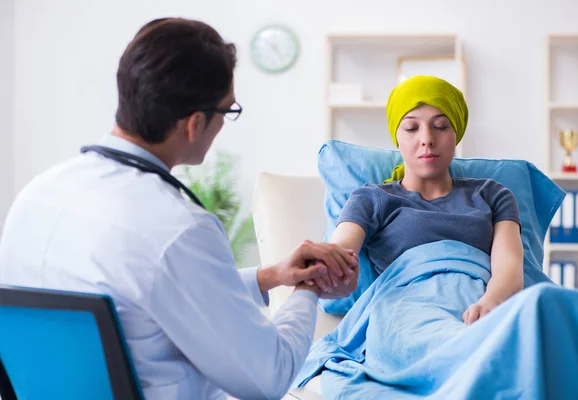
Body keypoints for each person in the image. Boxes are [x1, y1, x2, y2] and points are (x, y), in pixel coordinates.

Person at [0, 18, 359, 400]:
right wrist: (308, 288)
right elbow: (267, 378)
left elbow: (144, 296)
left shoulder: (37, 193)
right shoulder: (177, 227)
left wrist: (272, 276)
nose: (224, 122)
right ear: (194, 123)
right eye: (228, 110)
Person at [307, 75, 525, 324]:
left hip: (482, 315)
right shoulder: (372, 199)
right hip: (404, 317)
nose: (427, 139)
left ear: (457, 134)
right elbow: (342, 249)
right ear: (397, 136)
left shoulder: (493, 195)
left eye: (441, 126)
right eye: (412, 128)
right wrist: (328, 264)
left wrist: (490, 303)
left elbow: (510, 266)